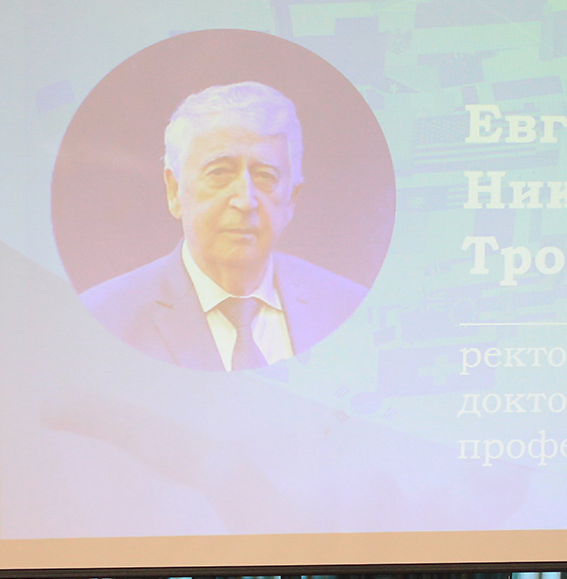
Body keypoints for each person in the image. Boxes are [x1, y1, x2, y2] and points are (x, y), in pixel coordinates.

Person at [81, 81, 367, 370]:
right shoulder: (102, 320)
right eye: (219, 173)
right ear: (174, 190)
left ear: (292, 198)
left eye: (265, 176)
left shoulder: (352, 310)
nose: (245, 201)